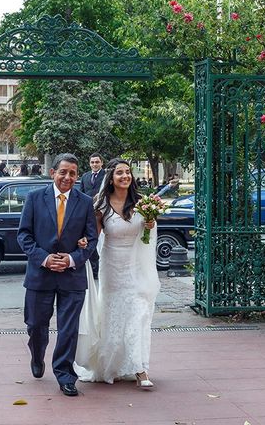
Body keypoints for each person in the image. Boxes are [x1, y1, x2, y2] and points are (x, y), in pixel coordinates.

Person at [74, 158, 160, 388]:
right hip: (112, 267)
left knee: (138, 313)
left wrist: (150, 226)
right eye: (120, 173)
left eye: (128, 172)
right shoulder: (101, 205)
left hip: (136, 267)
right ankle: (112, 365)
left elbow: (147, 237)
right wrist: (82, 245)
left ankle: (141, 368)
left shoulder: (142, 203)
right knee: (114, 317)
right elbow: (94, 236)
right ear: (111, 178)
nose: (125, 176)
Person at [17, 153, 98, 397]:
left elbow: (91, 238)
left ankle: (65, 375)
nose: (67, 177)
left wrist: (73, 258)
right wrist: (45, 258)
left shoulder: (84, 202)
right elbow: (24, 235)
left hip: (71, 275)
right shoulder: (34, 199)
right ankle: (37, 355)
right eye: (63, 172)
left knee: (68, 328)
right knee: (36, 324)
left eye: (73, 173)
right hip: (40, 274)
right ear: (53, 173)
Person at [78, 153, 105, 279]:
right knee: (90, 240)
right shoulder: (85, 176)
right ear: (90, 164)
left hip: (102, 213)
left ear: (101, 163)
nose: (94, 164)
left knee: (101, 242)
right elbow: (81, 193)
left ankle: (101, 269)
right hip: (88, 213)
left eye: (97, 162)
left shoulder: (106, 176)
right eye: (92, 162)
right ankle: (95, 270)